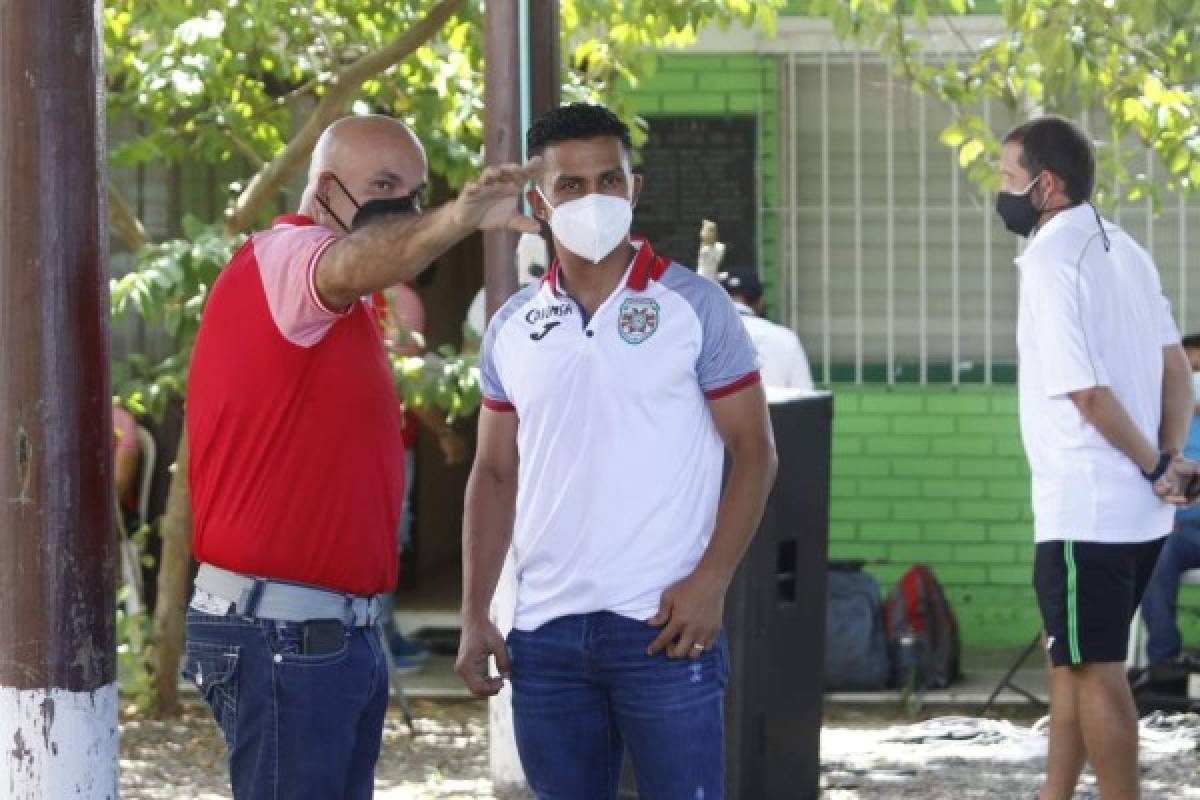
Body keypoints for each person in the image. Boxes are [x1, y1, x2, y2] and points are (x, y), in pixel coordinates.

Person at [184, 114, 540, 799]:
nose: (403, 207)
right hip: (282, 634)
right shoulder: (291, 258)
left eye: (416, 191)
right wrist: (457, 217)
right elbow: (353, 259)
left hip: (326, 634)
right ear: (323, 191)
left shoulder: (344, 309)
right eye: (383, 186)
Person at [454, 102, 778, 798]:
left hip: (664, 628)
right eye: (570, 186)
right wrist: (476, 611)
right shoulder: (512, 325)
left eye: (608, 180)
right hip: (544, 637)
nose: (592, 199)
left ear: (634, 190)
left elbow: (754, 451)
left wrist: (710, 583)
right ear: (539, 201)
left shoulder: (694, 306)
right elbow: (494, 470)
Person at [998, 116, 1197, 800]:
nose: (1002, 192)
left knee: (1097, 672)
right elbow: (1177, 364)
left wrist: (1152, 463)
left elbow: (1085, 391)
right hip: (1136, 516)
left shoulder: (1052, 257)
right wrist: (1168, 456)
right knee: (1071, 665)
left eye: (1007, 177)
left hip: (1088, 507)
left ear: (1045, 185)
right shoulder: (1126, 248)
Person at [1140, 333, 1200, 678]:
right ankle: (1165, 663)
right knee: (1156, 554)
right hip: (1176, 531)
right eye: (1188, 370)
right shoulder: (1158, 424)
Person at [718, 268, 814, 391]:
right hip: (777, 409)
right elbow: (805, 395)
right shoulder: (786, 337)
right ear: (761, 302)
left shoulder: (703, 338)